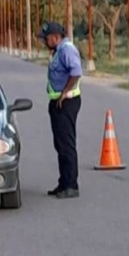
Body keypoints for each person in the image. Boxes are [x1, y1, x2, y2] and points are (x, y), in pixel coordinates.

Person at [38, 21, 82, 199]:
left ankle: (71, 185)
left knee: (66, 145)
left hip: (66, 102)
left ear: (55, 37)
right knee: (60, 144)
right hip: (57, 102)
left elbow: (76, 72)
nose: (44, 42)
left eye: (46, 38)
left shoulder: (66, 50)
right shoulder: (58, 51)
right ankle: (63, 182)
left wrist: (65, 92)